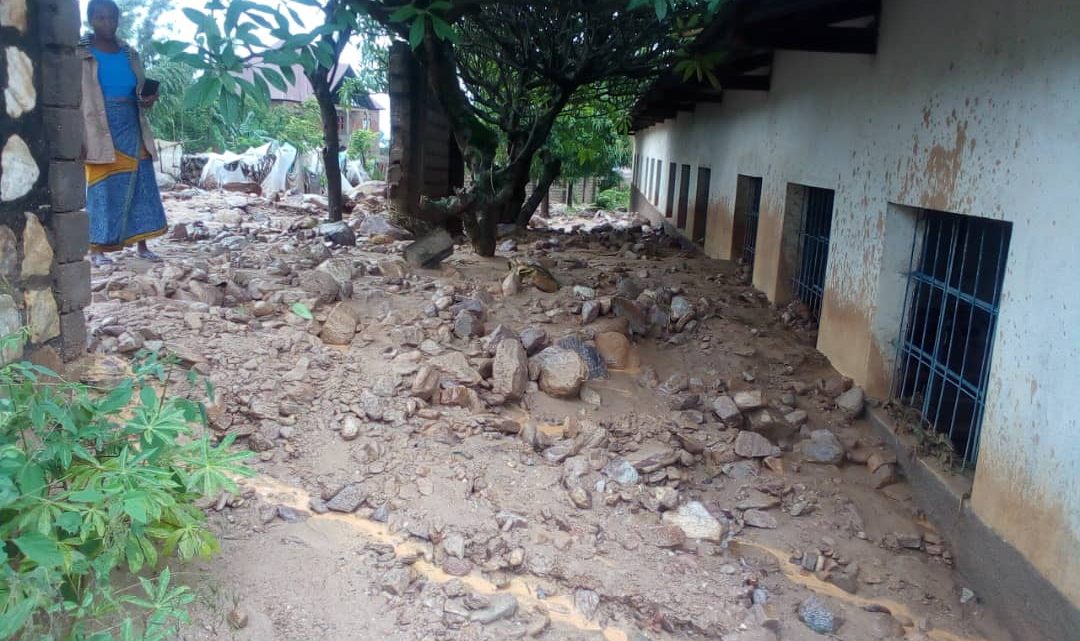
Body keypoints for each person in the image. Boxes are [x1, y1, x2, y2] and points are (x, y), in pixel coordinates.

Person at [79, 0, 167, 266]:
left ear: (118, 19)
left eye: (112, 17)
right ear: (91, 20)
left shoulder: (130, 53)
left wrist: (147, 99)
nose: (107, 23)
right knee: (101, 186)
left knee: (141, 183)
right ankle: (96, 249)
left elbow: (137, 90)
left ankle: (142, 244)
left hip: (132, 123)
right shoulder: (80, 54)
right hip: (98, 126)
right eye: (101, 18)